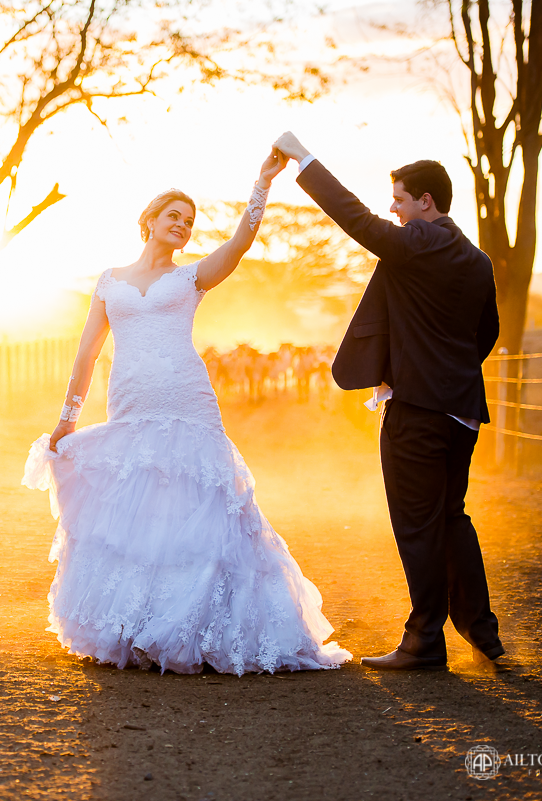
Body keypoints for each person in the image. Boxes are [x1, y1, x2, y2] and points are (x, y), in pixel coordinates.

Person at [21, 152, 351, 675]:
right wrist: (68, 415)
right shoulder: (109, 280)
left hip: (186, 399)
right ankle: (137, 626)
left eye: (189, 222)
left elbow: (240, 243)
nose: (182, 225)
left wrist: (261, 183)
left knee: (200, 508)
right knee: (140, 509)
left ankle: (198, 627)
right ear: (149, 221)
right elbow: (86, 352)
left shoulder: (193, 277)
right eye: (173, 215)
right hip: (130, 399)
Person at [272, 131, 505, 672]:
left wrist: (303, 157)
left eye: (399, 199)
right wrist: (449, 372)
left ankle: (425, 639)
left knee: (418, 523)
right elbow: (485, 333)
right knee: (450, 517)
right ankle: (482, 632)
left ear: (427, 202)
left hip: (419, 412)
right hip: (461, 411)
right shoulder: (477, 260)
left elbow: (357, 221)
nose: (392, 210)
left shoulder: (424, 242)